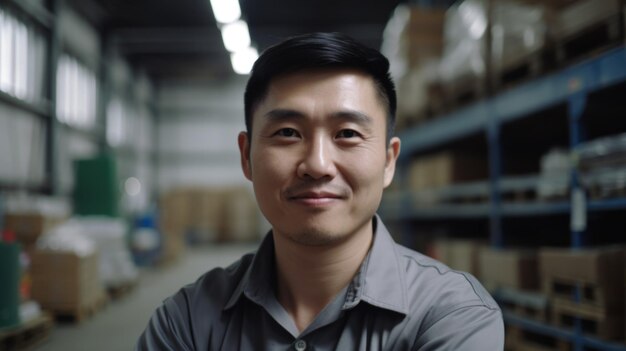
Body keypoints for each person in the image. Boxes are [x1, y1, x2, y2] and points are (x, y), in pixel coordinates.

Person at [136, 32, 504, 350]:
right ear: (246, 157)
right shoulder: (186, 322)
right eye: (288, 133)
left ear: (389, 161)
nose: (317, 164)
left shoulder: (450, 316)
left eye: (347, 134)